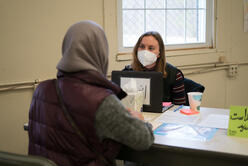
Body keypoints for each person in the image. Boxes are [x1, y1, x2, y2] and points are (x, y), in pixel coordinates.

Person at [28, 20, 154, 166]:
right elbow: (143, 140)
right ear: (100, 52)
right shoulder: (102, 101)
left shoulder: (41, 90)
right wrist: (140, 121)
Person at [123, 31, 186, 105]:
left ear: (159, 53)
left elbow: (179, 108)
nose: (145, 51)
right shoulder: (127, 72)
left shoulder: (174, 75)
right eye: (142, 47)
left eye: (151, 48)